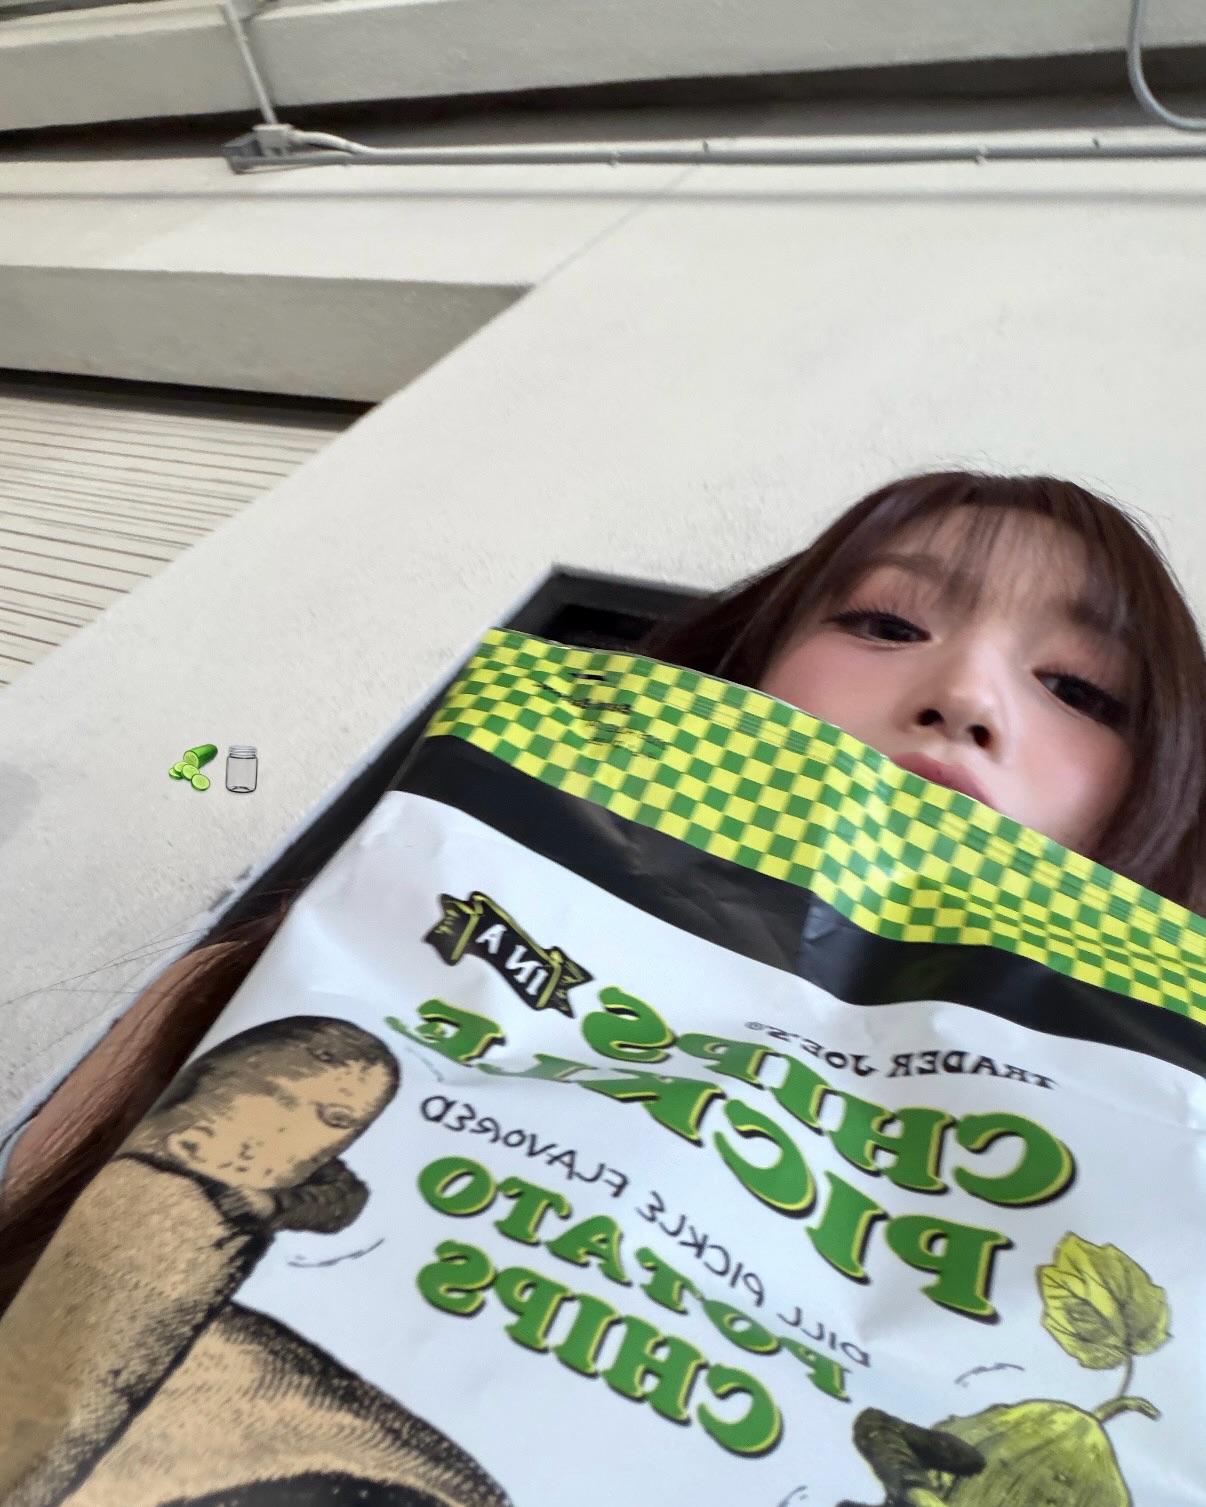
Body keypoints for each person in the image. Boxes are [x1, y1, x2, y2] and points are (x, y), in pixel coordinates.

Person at [4, 466, 1206, 1328]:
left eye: (1079, 687)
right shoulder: (295, 979)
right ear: (740, 677)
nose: (968, 695)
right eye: (886, 621)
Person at [0, 1016, 512, 1507]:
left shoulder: (292, 1184)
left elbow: (342, 1198)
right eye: (321, 1114)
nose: (298, 1137)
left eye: (340, 1123)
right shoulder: (151, 1162)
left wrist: (277, 1205)